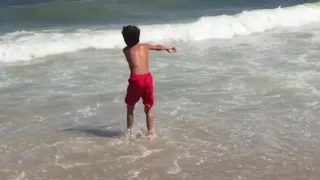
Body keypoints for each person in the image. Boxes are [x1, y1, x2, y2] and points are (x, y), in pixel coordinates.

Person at [121, 25, 177, 140]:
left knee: (130, 107)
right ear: (138, 37)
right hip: (147, 78)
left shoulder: (125, 50)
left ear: (125, 39)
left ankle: (130, 132)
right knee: (149, 106)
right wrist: (167, 48)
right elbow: (158, 47)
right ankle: (151, 133)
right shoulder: (145, 46)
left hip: (135, 79)